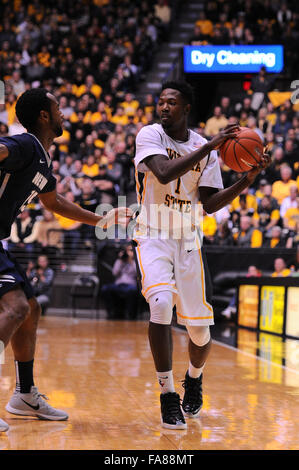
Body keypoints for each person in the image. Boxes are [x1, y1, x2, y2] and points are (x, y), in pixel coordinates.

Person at [133, 80, 270, 429]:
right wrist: (211, 145)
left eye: (172, 103)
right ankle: (167, 395)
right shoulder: (149, 135)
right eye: (161, 102)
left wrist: (247, 180)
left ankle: (194, 378)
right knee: (161, 304)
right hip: (153, 232)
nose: (164, 107)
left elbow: (210, 204)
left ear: (186, 108)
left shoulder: (203, 148)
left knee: (199, 332)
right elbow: (163, 173)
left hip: (188, 238)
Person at [0, 88, 131, 432]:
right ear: (44, 116)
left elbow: (54, 203)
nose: (63, 113)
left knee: (30, 309)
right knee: (15, 308)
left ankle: (24, 394)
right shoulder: (25, 145)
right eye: (57, 108)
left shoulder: (42, 157)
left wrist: (102, 219)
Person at [101, 244, 138, 319]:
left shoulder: (135, 262)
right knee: (105, 288)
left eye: (130, 250)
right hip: (118, 285)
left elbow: (137, 273)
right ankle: (111, 312)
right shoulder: (119, 261)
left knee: (132, 291)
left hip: (130, 285)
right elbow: (115, 273)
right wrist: (121, 261)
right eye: (126, 250)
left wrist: (130, 261)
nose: (127, 253)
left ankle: (131, 315)